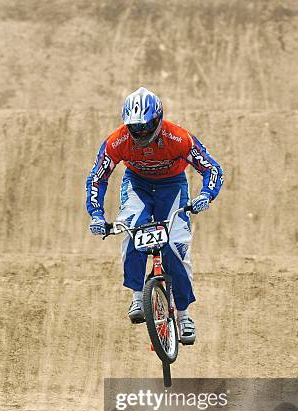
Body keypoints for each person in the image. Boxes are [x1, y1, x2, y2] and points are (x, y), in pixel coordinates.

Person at [86, 87, 224, 344]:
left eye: (145, 126)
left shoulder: (179, 138)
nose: (139, 133)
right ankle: (137, 297)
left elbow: (211, 168)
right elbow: (97, 177)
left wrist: (206, 194)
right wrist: (96, 215)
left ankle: (184, 315)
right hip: (137, 185)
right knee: (131, 231)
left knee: (176, 246)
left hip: (172, 187)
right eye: (134, 128)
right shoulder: (117, 141)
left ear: (158, 119)